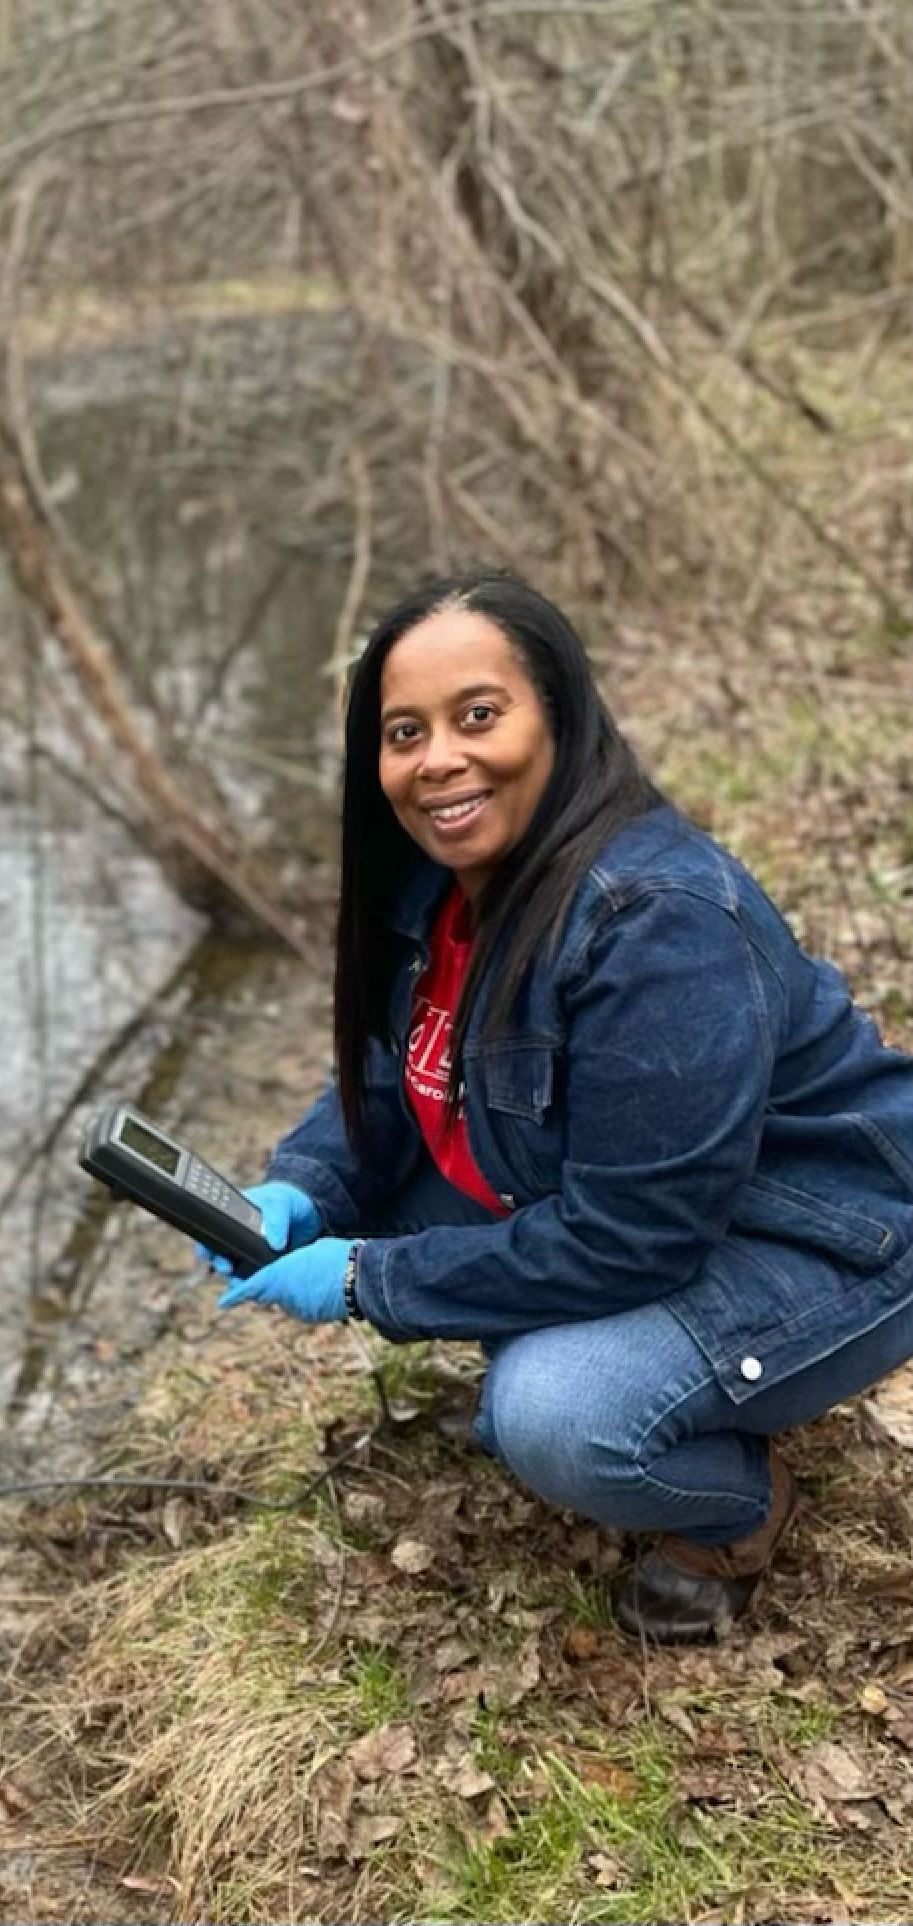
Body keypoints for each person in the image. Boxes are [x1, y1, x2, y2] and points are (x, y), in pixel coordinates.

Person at [209, 568, 913, 1642]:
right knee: (389, 1207)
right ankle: (596, 1368)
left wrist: (365, 1279)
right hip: (667, 1209)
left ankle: (729, 1504)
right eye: (404, 731)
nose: (437, 757)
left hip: (829, 1234)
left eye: (476, 715)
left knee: (557, 1417)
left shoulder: (655, 922)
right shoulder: (437, 882)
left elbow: (635, 1236)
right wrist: (303, 1190)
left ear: (561, 716)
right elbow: (390, 1073)